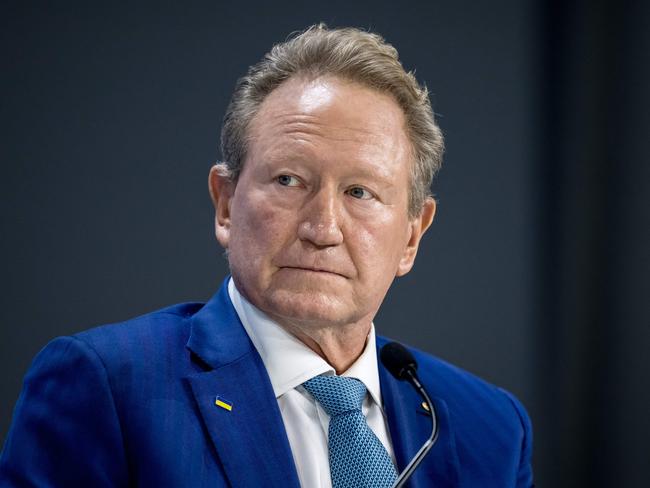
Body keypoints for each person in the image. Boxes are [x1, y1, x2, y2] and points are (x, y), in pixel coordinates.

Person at [0, 24, 533, 487]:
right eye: (288, 180)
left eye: (360, 192)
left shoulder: (490, 426)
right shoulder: (107, 387)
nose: (323, 229)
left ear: (413, 235)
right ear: (226, 204)